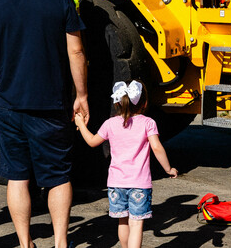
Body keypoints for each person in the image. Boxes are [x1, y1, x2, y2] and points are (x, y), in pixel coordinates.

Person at [0, 0, 89, 248]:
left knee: (17, 177)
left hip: (8, 106)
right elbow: (76, 52)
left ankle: (25, 244)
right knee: (58, 176)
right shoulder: (60, 1)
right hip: (50, 104)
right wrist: (82, 95)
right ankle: (61, 242)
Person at [74, 80, 177, 248]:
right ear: (144, 103)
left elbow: (92, 141)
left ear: (117, 103)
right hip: (139, 184)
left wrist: (80, 124)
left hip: (116, 184)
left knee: (122, 221)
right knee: (136, 224)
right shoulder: (148, 123)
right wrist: (168, 169)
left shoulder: (110, 123)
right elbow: (157, 147)